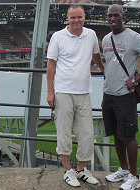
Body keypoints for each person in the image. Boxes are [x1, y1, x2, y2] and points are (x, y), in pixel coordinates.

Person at [102, 4, 140, 190]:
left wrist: (136, 80)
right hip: (108, 94)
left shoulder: (134, 37)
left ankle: (135, 177)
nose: (112, 18)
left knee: (129, 135)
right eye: (110, 15)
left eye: (116, 15)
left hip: (125, 96)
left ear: (123, 16)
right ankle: (124, 170)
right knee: (117, 135)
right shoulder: (105, 39)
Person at [46, 4, 105, 188]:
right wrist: (50, 92)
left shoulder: (91, 35)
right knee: (63, 132)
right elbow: (51, 65)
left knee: (87, 134)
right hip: (63, 91)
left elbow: (96, 54)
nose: (76, 20)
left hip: (84, 91)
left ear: (84, 17)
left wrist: (104, 69)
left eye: (79, 17)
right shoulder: (58, 37)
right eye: (73, 17)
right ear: (68, 18)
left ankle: (81, 169)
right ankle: (67, 171)